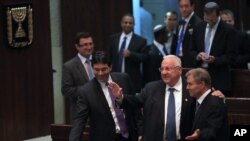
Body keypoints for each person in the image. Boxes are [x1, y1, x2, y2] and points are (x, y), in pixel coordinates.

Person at [108, 55, 224, 141]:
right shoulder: (151, 88)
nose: (164, 72)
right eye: (162, 69)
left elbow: (206, 96)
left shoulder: (190, 87)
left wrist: (218, 95)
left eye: (168, 69)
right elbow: (135, 101)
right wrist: (120, 97)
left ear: (179, 70)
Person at [69, 51, 141, 141]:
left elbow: (135, 107)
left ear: (110, 67)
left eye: (103, 69)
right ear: (92, 68)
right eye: (96, 69)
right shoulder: (86, 91)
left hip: (130, 136)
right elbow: (79, 121)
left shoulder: (124, 79)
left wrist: (141, 132)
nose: (100, 73)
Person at [191, 2, 236, 96]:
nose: (209, 22)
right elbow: (191, 50)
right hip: (200, 77)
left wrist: (215, 59)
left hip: (219, 78)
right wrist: (197, 56)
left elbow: (232, 56)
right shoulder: (199, 28)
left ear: (218, 14)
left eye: (212, 20)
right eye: (207, 19)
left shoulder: (228, 30)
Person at [185, 68, 229, 141]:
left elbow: (212, 131)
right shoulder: (194, 100)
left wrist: (199, 135)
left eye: (190, 84)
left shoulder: (215, 104)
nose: (187, 87)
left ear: (202, 84)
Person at [108, 13, 147, 93]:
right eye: (125, 22)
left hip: (132, 79)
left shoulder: (140, 41)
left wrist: (131, 54)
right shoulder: (113, 38)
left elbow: (144, 57)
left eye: (130, 23)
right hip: (115, 78)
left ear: (134, 24)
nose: (128, 25)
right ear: (121, 23)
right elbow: (110, 56)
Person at [61, 32, 94, 123]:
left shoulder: (99, 61)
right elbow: (66, 90)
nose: (89, 47)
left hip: (101, 112)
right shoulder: (69, 66)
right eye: (85, 45)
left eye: (91, 44)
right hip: (81, 113)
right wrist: (88, 90)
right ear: (77, 47)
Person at [172, 0, 202, 68]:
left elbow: (199, 46)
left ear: (192, 6)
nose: (184, 9)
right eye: (181, 6)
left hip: (191, 64)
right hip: (179, 60)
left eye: (186, 6)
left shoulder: (198, 23)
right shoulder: (180, 23)